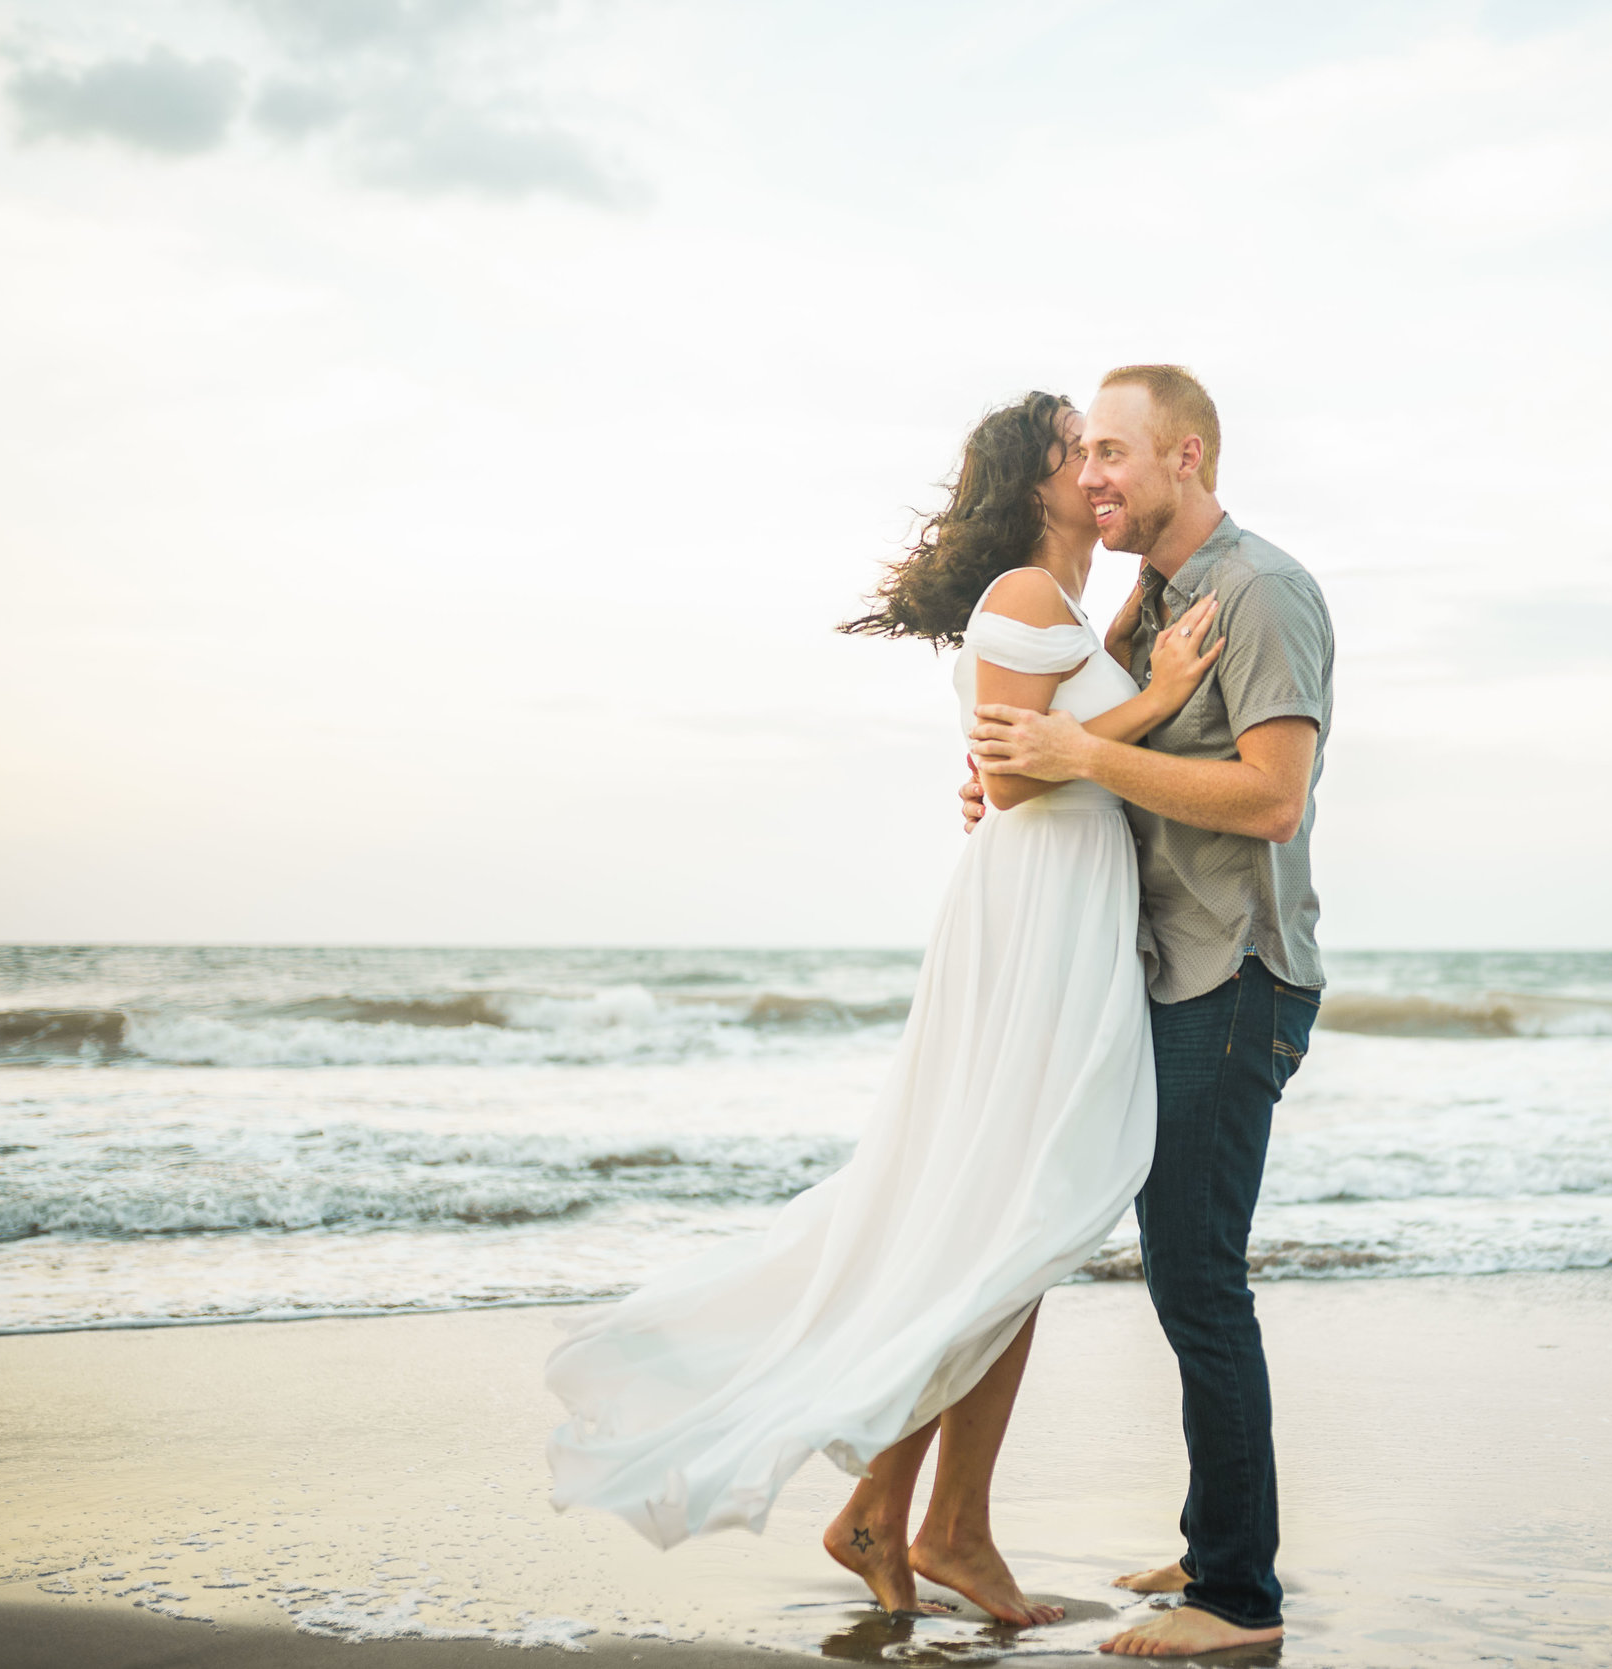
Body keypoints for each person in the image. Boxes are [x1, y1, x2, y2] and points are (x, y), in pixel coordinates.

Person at [543, 391, 1227, 1628]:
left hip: (1064, 918)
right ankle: (920, 1517)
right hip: (1031, 923)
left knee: (1015, 1216)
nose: (1097, 466)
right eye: (1078, 448)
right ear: (1036, 481)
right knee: (1011, 1213)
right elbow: (1017, 780)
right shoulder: (1021, 593)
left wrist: (1132, 679)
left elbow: (1024, 755)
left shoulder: (1064, 604)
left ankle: (926, 1516)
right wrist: (1161, 691)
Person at [965, 364, 1334, 1658]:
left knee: (1198, 1277)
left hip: (1237, 974)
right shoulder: (1152, 605)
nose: (1099, 476)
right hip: (1172, 971)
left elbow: (1272, 795)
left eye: (1117, 452)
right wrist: (1027, 788)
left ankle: (1237, 1597)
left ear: (1187, 457)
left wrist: (1079, 759)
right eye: (1090, 457)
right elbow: (1096, 758)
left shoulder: (1262, 590)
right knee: (1183, 1274)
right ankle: (1213, 1531)